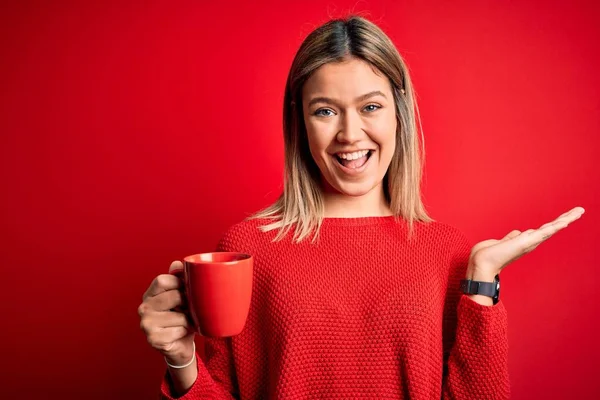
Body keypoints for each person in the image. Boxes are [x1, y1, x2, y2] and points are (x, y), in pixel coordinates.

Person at [138, 15, 585, 399]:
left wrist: (482, 280)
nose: (350, 134)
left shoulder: (449, 252)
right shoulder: (246, 248)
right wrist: (181, 359)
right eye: (326, 111)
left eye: (370, 106)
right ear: (300, 122)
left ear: (399, 112)